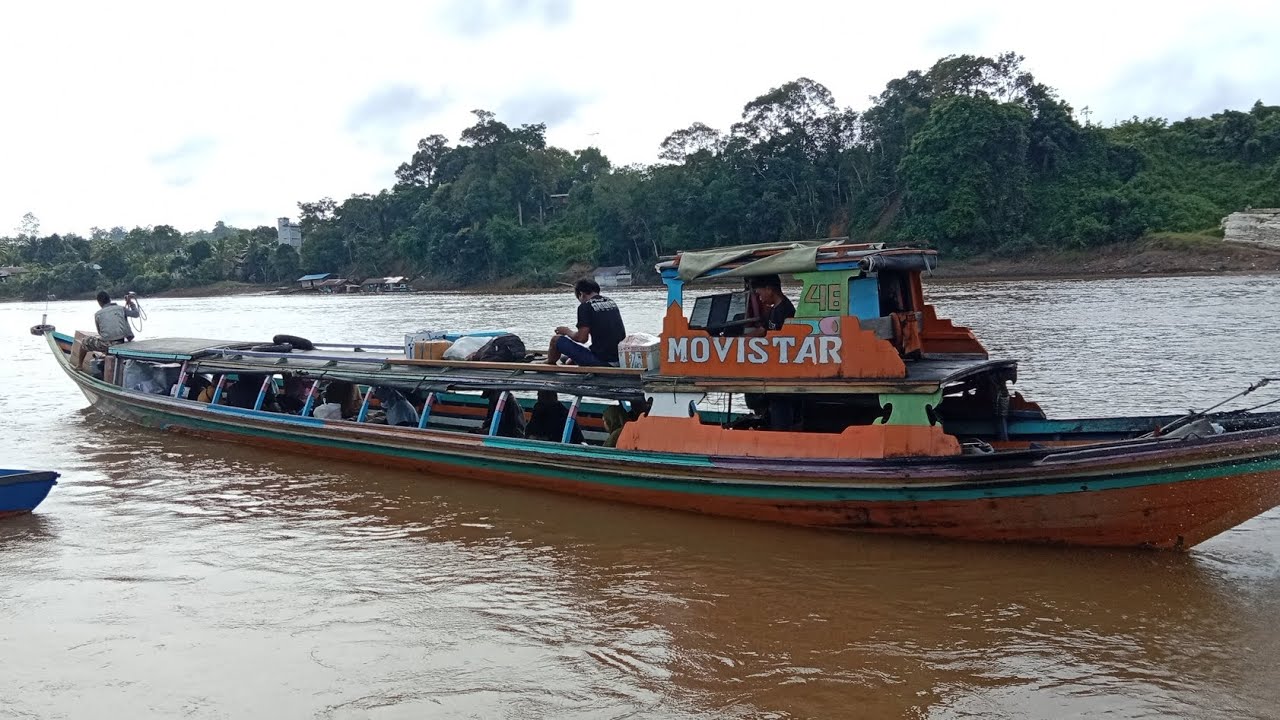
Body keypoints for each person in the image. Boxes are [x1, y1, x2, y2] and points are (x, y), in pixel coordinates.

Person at [545, 279, 626, 367]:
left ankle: (549, 363)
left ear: (581, 294)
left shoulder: (585, 306)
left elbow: (582, 339)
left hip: (604, 362)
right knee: (567, 360)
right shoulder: (611, 302)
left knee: (556, 340)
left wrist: (567, 331)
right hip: (620, 358)